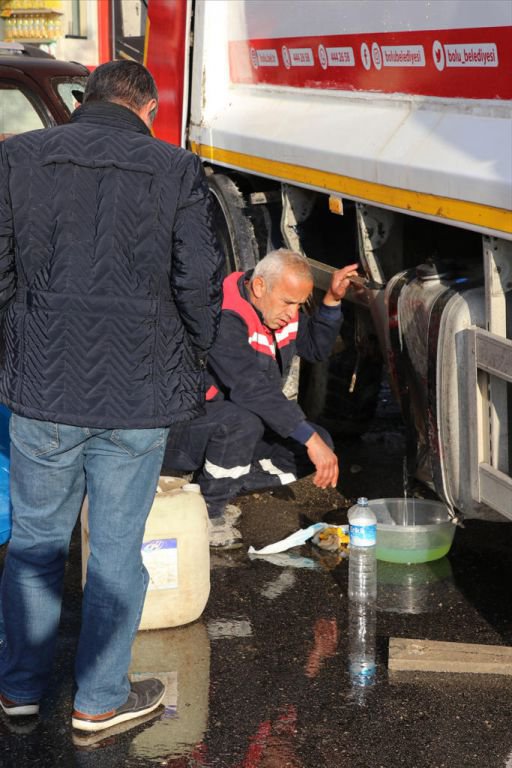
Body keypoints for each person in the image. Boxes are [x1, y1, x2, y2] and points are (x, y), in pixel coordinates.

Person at [0, 61, 223, 732]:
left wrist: (17, 350)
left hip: (40, 385)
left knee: (36, 542)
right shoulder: (176, 168)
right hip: (137, 390)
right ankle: (99, 700)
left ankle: (18, 690)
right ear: (148, 109)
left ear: (82, 100)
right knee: (118, 548)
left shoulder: (20, 158)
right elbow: (199, 280)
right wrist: (195, 357)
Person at [165, 249, 358, 547]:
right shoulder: (222, 316)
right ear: (258, 287)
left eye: (299, 304)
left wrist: (331, 301)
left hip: (234, 424)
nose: (293, 314)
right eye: (288, 303)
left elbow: (317, 349)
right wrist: (309, 438)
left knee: (317, 444)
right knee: (246, 423)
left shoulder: (278, 311)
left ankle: (210, 487)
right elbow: (250, 388)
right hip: (184, 429)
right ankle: (209, 512)